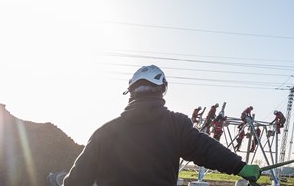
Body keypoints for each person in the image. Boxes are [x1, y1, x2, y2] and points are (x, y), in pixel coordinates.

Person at [63, 65, 261, 186]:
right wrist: (240, 167)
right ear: (162, 90)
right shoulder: (176, 124)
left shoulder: (105, 132)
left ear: (131, 92)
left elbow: (77, 180)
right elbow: (206, 149)